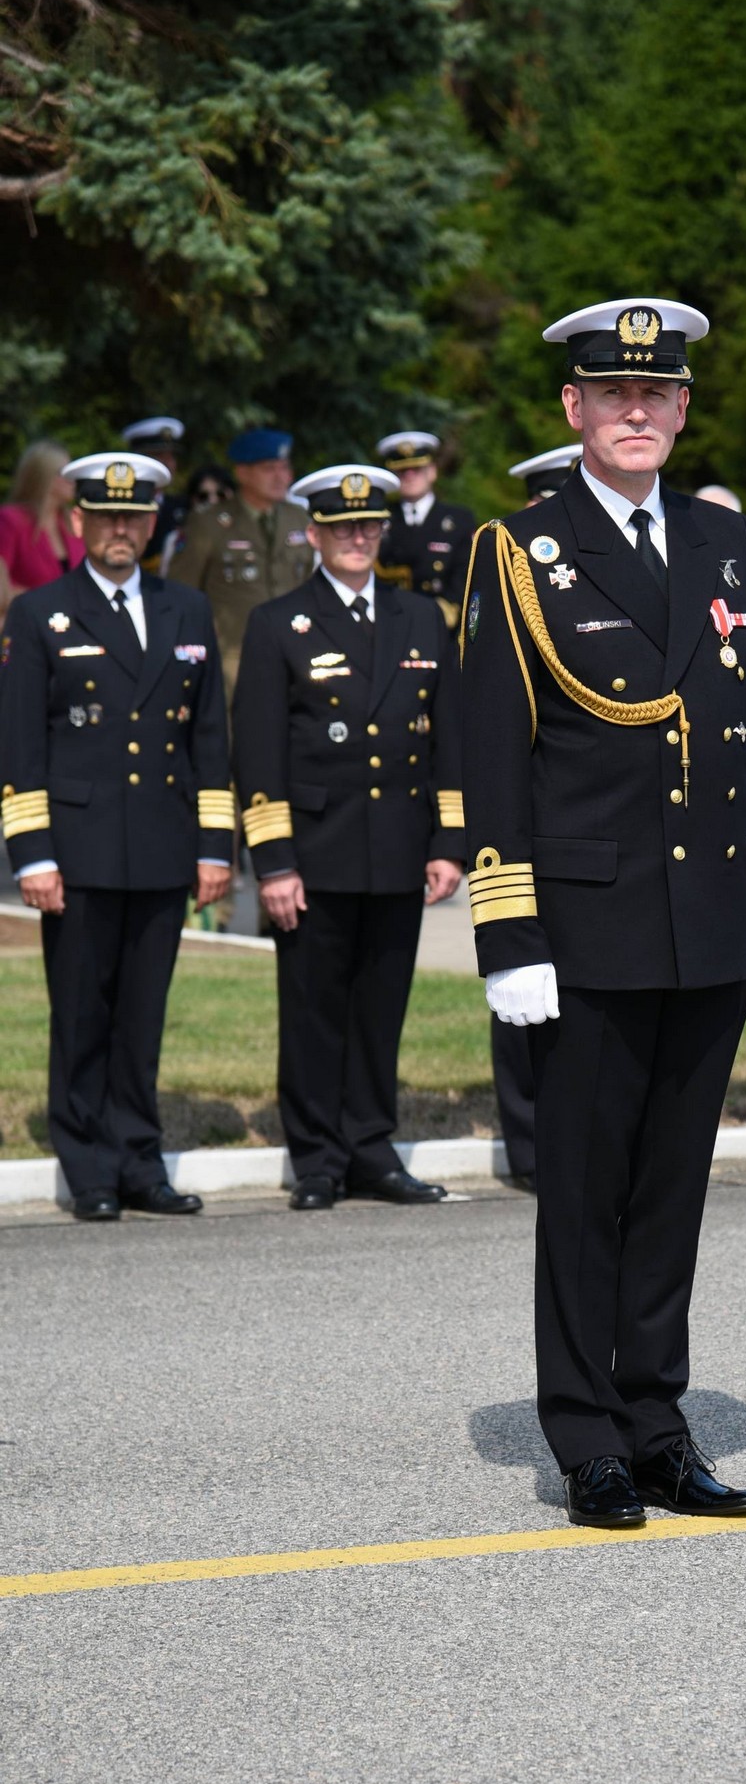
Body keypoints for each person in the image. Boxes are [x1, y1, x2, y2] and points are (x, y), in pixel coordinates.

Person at [460, 294, 746, 1530]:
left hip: (710, 913)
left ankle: (658, 1426)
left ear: (681, 408)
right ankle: (585, 1438)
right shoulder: (519, 548)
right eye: (614, 393)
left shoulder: (723, 544)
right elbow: (494, 749)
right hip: (589, 922)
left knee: (672, 1187)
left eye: (658, 395)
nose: (638, 411)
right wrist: (507, 930)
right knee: (586, 1186)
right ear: (573, 407)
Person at [0, 452, 234, 1219]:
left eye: (133, 518)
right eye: (105, 517)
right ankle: (90, 1168)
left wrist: (212, 845)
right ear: (78, 523)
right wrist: (31, 854)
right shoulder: (40, 614)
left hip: (164, 845)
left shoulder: (185, 609)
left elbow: (208, 737)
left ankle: (139, 1160)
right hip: (77, 849)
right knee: (81, 1015)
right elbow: (20, 747)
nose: (120, 531)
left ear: (153, 524)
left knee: (142, 1016)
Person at [232, 463, 465, 1209]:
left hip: (398, 849)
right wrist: (272, 863)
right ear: (314, 533)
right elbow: (259, 753)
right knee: (312, 1014)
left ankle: (371, 1149)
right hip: (315, 853)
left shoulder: (422, 619)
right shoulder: (278, 623)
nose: (357, 539)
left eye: (368, 526)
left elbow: (448, 741)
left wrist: (447, 842)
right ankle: (318, 1161)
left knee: (378, 1014)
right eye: (341, 527)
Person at [483, 442, 589, 1192]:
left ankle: (564, 1139)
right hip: (528, 824)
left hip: (589, 830)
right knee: (525, 994)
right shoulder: (506, 568)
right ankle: (527, 1141)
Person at [168, 428, 313, 707]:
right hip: (232, 661)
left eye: (285, 467)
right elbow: (180, 595)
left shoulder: (300, 520)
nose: (281, 476)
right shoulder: (209, 523)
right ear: (242, 473)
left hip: (294, 656)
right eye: (269, 468)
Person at [374, 431, 477, 620]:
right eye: (402, 471)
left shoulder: (459, 519)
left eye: (417, 469)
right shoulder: (379, 520)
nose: (410, 476)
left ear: (432, 471)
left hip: (441, 622)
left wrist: (445, 611)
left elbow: (467, 574)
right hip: (390, 618)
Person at [0, 440, 83, 592]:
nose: (72, 480)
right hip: (25, 614)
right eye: (65, 473)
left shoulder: (72, 523)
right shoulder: (11, 521)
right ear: (43, 476)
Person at [124, 417, 189, 571]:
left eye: (171, 456)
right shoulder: (118, 505)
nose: (167, 463)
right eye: (158, 455)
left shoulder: (185, 508)